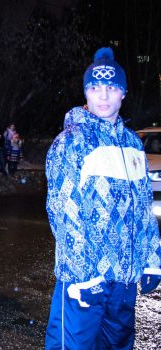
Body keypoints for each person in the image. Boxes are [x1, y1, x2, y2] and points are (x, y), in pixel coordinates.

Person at [44, 47, 161, 349]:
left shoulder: (133, 144)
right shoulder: (71, 141)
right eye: (95, 87)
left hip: (123, 280)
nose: (103, 95)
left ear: (123, 93)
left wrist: (151, 260)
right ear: (86, 92)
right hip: (85, 281)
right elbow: (63, 212)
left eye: (112, 88)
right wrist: (84, 277)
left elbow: (144, 209)